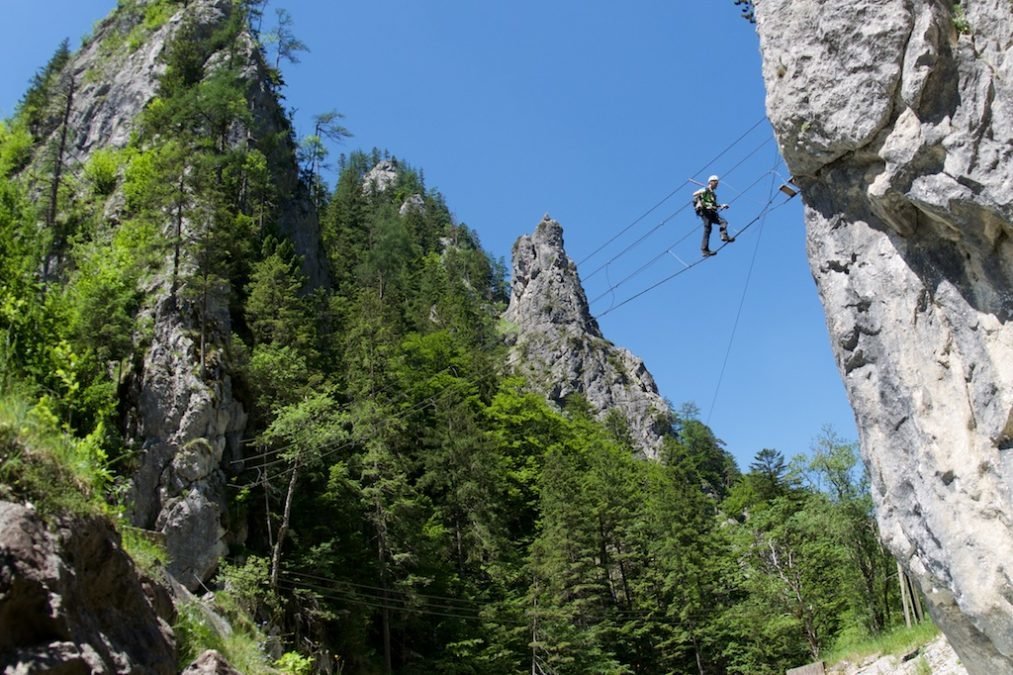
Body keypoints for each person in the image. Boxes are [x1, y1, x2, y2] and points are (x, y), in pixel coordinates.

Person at [693, 175, 733, 257]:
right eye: (715, 182)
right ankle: (704, 250)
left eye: (717, 182)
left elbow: (713, 205)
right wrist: (704, 190)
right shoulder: (705, 190)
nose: (717, 184)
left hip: (711, 212)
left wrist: (722, 206)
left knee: (723, 222)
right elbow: (694, 194)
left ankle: (724, 235)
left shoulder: (712, 195)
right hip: (705, 212)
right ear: (711, 182)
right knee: (707, 229)